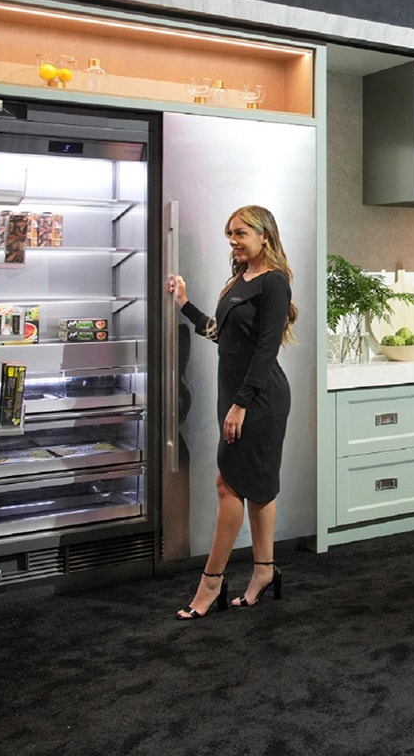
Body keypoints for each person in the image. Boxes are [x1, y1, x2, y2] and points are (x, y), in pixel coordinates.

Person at [168, 205, 297, 619]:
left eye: (240, 233)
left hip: (260, 400)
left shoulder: (275, 283)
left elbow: (265, 350)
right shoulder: (240, 282)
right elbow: (222, 336)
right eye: (230, 234)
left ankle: (211, 582)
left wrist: (240, 404)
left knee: (230, 486)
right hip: (239, 397)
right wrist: (185, 305)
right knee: (257, 487)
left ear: (264, 236)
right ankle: (264, 571)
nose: (233, 241)